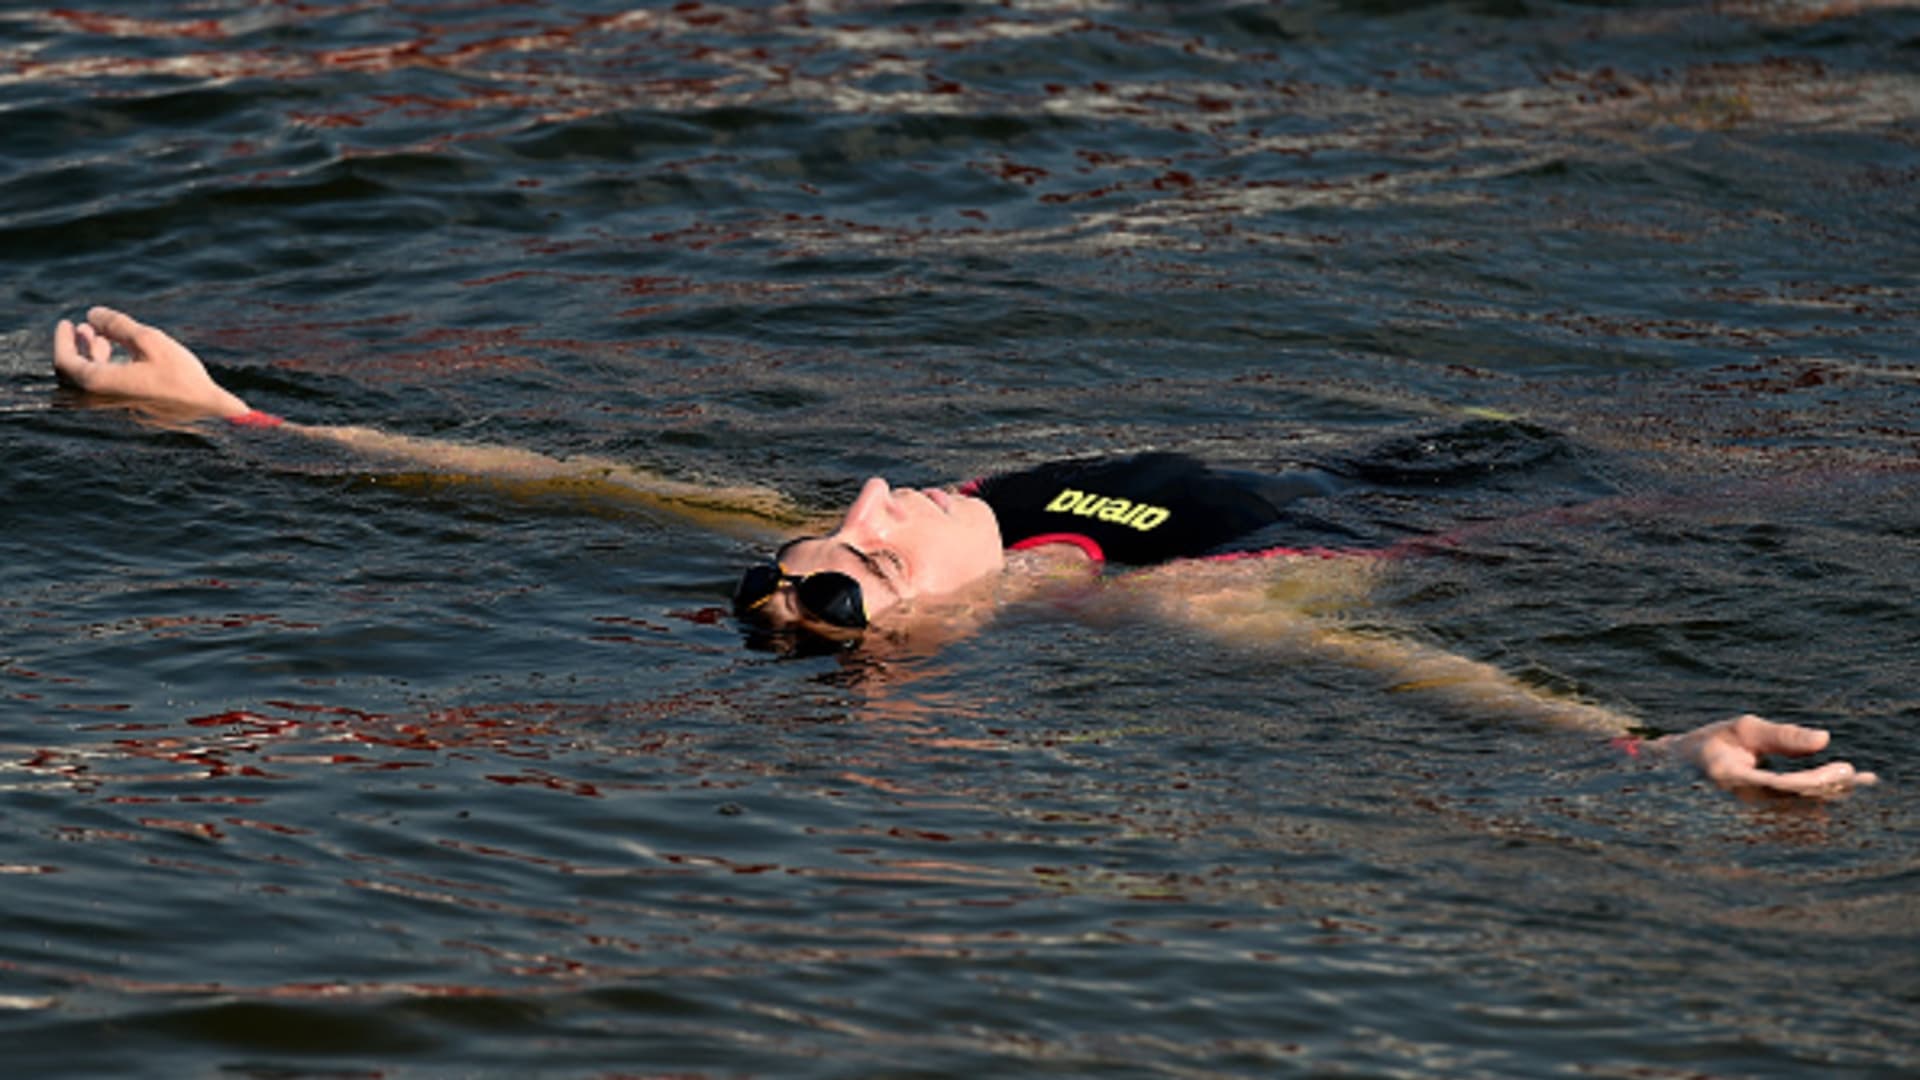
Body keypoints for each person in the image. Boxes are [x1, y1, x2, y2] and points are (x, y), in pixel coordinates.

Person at [51, 306, 1879, 797]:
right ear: (946, 624)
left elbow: (544, 473)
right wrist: (1653, 749)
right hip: (1492, 514)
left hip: (1357, 443)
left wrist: (231, 418)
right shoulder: (1212, 611)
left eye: (836, 522)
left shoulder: (953, 543)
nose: (870, 497)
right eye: (877, 546)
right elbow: (1434, 680)